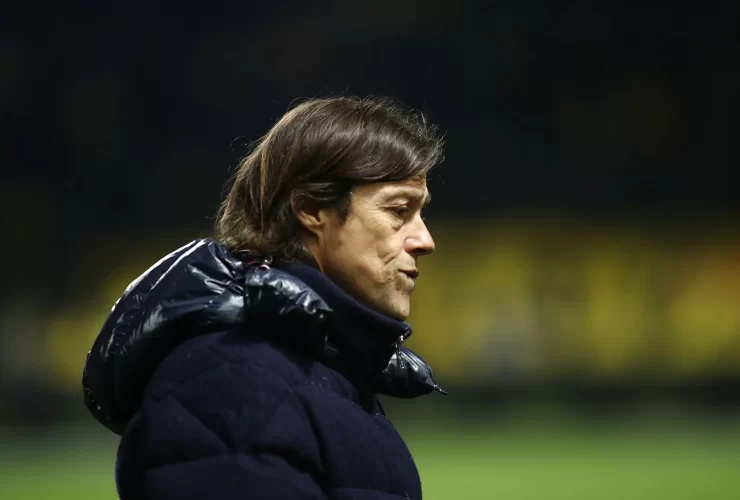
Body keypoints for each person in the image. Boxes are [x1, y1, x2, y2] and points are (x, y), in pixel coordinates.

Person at [82, 96, 446, 500]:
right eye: (399, 210)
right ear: (312, 210)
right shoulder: (232, 384)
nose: (425, 240)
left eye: (421, 214)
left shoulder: (319, 373)